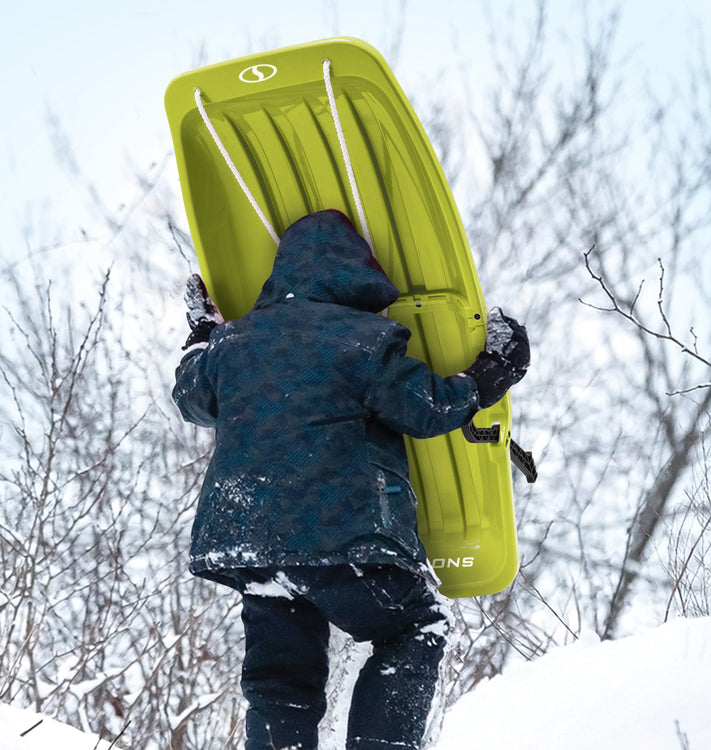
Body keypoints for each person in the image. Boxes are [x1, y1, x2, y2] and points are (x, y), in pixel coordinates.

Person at [172, 209, 530, 750]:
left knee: (279, 684)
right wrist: (489, 373)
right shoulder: (364, 339)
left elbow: (190, 399)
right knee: (413, 630)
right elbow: (426, 408)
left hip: (249, 543)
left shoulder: (232, 344)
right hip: (342, 536)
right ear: (359, 277)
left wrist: (203, 335)